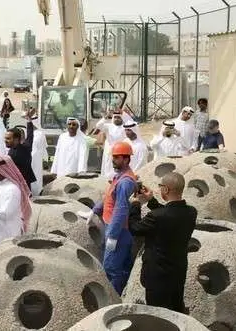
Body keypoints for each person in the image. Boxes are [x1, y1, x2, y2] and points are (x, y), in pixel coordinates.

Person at [129, 172, 197, 313]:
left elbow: (135, 228)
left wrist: (135, 205)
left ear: (166, 189)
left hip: (157, 278)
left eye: (161, 187)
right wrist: (151, 201)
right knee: (176, 311)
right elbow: (169, 213)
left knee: (158, 316)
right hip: (177, 274)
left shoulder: (156, 217)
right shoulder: (191, 212)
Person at [84, 142, 137, 295]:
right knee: (121, 266)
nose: (113, 160)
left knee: (112, 268)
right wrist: (94, 210)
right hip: (114, 228)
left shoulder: (126, 181)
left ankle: (113, 299)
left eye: (116, 157)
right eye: (113, 157)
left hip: (119, 232)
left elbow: (121, 209)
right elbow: (109, 197)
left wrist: (112, 236)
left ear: (126, 159)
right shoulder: (119, 177)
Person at [5, 109, 36, 191]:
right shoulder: (25, 147)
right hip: (22, 185)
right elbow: (30, 135)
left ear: (16, 139)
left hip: (20, 186)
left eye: (8, 139)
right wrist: (29, 120)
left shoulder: (18, 153)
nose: (5, 140)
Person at [97, 112, 127, 179]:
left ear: (122, 118)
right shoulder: (109, 126)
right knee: (108, 166)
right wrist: (105, 117)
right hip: (109, 151)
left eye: (118, 117)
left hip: (120, 151)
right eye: (115, 117)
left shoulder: (125, 128)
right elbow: (98, 126)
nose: (116, 119)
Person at [29, 115, 48, 196]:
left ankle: (36, 193)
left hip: (37, 158)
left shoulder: (40, 133)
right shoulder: (28, 132)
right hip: (29, 157)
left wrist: (45, 160)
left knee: (37, 175)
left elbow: (44, 148)